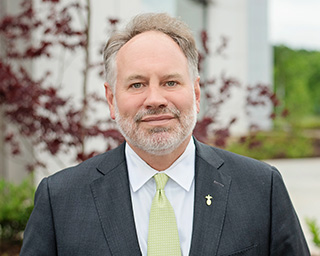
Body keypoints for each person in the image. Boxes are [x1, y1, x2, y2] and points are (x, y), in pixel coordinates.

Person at [20, 13, 310, 256]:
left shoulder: (261, 189)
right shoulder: (60, 200)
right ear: (111, 100)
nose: (155, 99)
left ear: (196, 93)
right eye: (137, 84)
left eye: (170, 82)